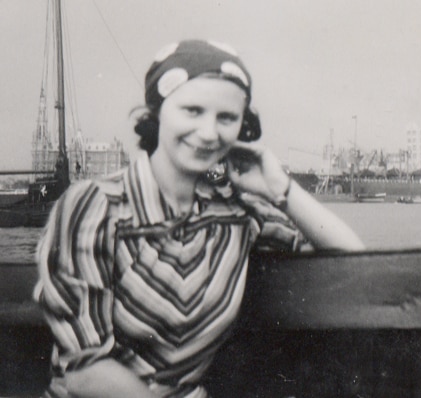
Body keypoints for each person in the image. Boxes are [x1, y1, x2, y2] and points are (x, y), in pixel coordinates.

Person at [33, 39, 364, 398]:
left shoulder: (236, 212)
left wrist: (280, 188)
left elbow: (353, 260)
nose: (209, 133)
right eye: (192, 110)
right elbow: (85, 370)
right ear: (158, 112)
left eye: (226, 118)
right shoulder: (95, 207)